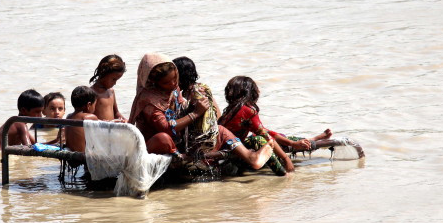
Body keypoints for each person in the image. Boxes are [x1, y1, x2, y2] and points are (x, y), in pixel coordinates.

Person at [128, 53, 271, 169]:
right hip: (158, 144)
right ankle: (182, 158)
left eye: (175, 79)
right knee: (163, 139)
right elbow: (165, 128)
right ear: (154, 82)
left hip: (179, 140)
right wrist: (195, 113)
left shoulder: (174, 90)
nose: (172, 84)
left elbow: (182, 110)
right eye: (166, 82)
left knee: (220, 130)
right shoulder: (149, 101)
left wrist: (195, 104)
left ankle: (250, 157)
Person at [219, 76, 332, 166]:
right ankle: (305, 141)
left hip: (234, 147)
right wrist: (286, 160)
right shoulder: (247, 110)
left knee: (269, 135)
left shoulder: (228, 111)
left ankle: (310, 139)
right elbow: (266, 136)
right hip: (236, 151)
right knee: (261, 139)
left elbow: (265, 131)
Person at [89, 54, 126, 121]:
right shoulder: (92, 93)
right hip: (98, 130)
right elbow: (88, 116)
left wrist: (124, 120)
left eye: (117, 80)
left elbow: (116, 113)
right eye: (113, 79)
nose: (115, 83)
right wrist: (101, 122)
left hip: (111, 129)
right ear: (103, 73)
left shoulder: (111, 91)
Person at [65, 86, 99, 152]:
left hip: (70, 157)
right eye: (95, 104)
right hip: (82, 157)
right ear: (89, 105)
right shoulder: (89, 117)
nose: (95, 107)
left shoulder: (68, 117)